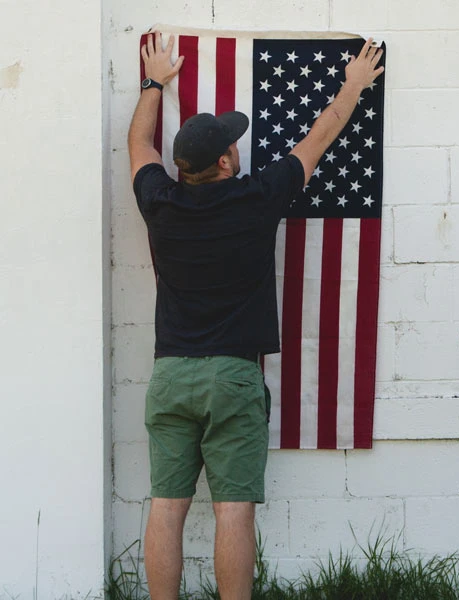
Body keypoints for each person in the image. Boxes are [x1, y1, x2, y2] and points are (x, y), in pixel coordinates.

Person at [127, 32, 382, 599]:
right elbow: (319, 136)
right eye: (234, 145)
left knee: (165, 508)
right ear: (224, 161)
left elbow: (139, 145)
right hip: (233, 377)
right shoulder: (257, 198)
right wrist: (353, 86)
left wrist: (152, 84)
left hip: (170, 374)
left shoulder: (157, 202)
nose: (240, 148)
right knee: (233, 512)